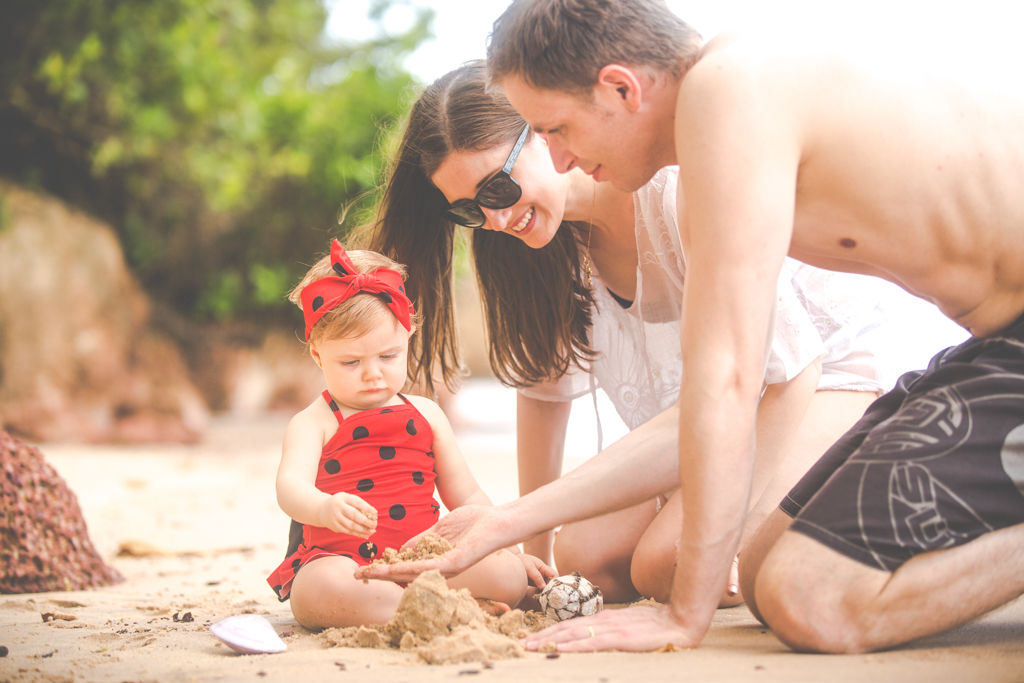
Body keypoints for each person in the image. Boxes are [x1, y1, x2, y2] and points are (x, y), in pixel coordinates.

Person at [359, 0, 1024, 655]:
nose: (560, 160)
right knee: (764, 574)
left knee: (804, 594)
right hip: (992, 347)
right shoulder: (725, 102)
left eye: (558, 130)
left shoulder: (727, 93)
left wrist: (685, 615)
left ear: (621, 87)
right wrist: (520, 534)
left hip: (955, 354)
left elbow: (735, 375)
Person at [266, 239, 550, 629]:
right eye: (351, 362)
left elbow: (467, 497)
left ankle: (421, 606)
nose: (373, 373)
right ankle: (440, 610)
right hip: (348, 563)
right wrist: (323, 508)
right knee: (315, 590)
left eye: (388, 356)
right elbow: (289, 488)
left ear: (408, 338)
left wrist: (511, 550)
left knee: (506, 574)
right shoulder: (314, 422)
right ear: (318, 355)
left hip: (423, 559)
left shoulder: (426, 414)